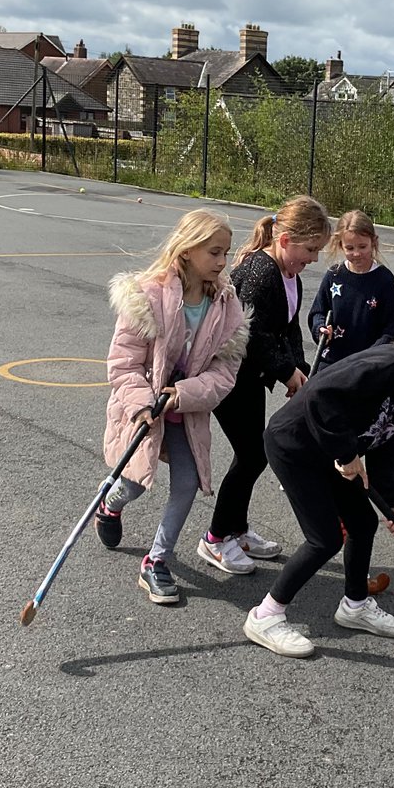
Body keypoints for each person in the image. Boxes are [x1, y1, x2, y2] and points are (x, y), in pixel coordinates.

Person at [247, 289, 394, 657]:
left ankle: (354, 605)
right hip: (295, 446)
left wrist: (393, 502)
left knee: (362, 523)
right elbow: (320, 397)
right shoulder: (384, 364)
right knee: (324, 538)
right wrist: (344, 453)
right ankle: (265, 615)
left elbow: (388, 446)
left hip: (331, 451)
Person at [95, 210, 248, 603]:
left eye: (225, 254)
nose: (221, 262)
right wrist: (144, 402)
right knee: (133, 482)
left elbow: (225, 370)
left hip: (185, 410)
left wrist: (185, 392)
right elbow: (124, 364)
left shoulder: (226, 303)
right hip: (144, 407)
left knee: (186, 482)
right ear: (187, 250)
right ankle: (109, 504)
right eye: (214, 252)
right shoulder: (147, 296)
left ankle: (156, 561)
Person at [197, 195, 331, 575]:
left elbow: (287, 328)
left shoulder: (288, 275)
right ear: (285, 239)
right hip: (228, 374)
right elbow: (251, 335)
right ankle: (216, 538)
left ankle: (236, 529)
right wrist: (285, 372)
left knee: (253, 454)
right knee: (254, 455)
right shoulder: (261, 270)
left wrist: (298, 369)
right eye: (310, 249)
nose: (314, 259)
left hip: (250, 377)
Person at [307, 209, 394, 369]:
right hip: (332, 362)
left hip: (367, 367)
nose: (356, 253)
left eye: (362, 246)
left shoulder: (384, 280)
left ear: (374, 242)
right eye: (350, 248)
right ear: (341, 246)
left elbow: (391, 329)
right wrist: (320, 328)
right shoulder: (334, 275)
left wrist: (369, 358)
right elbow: (318, 311)